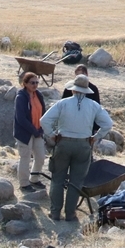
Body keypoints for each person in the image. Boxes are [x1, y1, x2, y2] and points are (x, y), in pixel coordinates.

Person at [39, 74, 114, 222]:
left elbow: (44, 120)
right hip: (83, 144)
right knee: (76, 181)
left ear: (73, 90)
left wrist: (52, 135)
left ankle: (55, 213)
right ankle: (70, 214)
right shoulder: (94, 106)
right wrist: (96, 137)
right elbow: (108, 124)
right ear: (86, 91)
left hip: (63, 143)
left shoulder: (63, 103)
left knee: (57, 179)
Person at [13, 72, 47, 192]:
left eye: (37, 82)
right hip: (24, 133)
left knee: (40, 157)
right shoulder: (21, 97)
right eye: (32, 82)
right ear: (25, 83)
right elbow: (21, 118)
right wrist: (34, 130)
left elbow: (43, 112)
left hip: (38, 131)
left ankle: (34, 178)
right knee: (25, 158)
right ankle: (24, 183)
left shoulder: (38, 95)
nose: (35, 85)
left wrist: (41, 128)